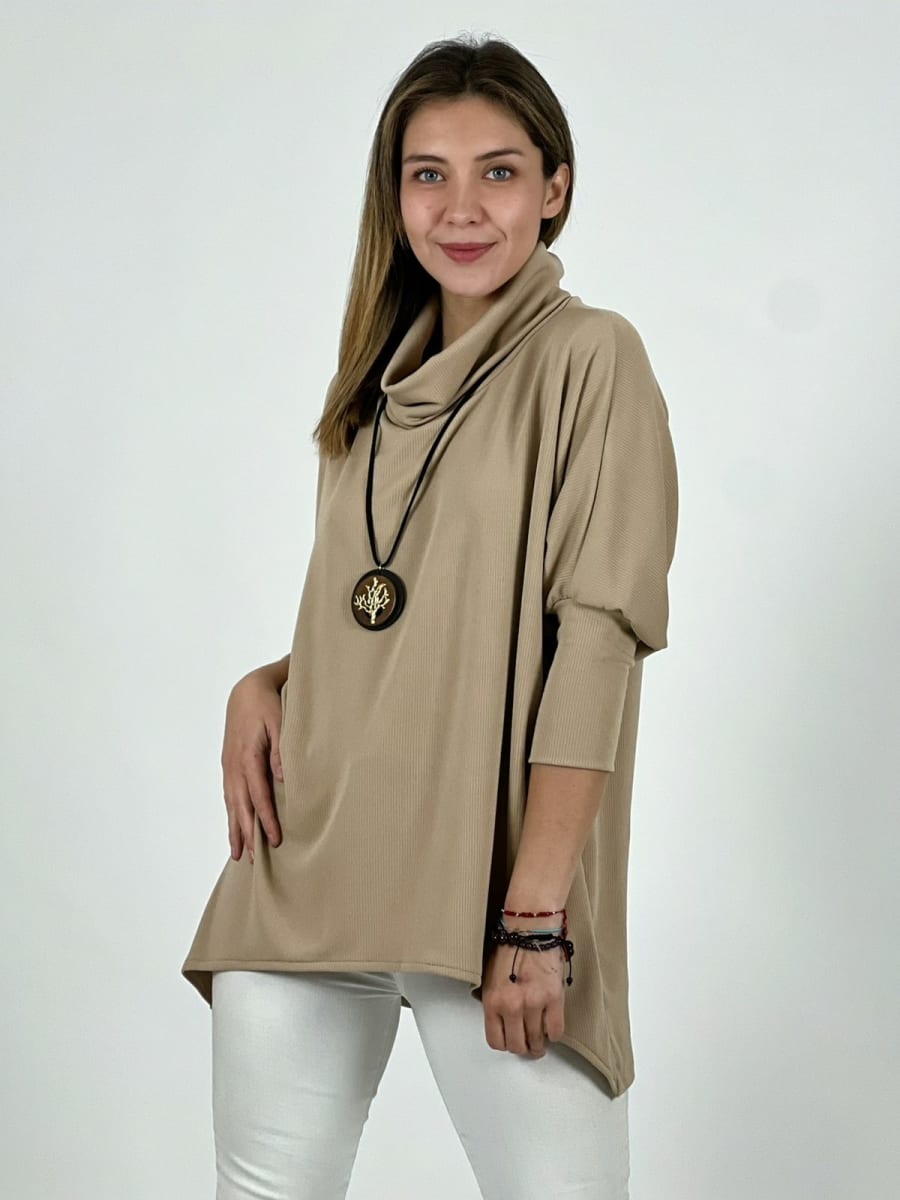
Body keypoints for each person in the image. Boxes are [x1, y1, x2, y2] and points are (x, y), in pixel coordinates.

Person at [181, 32, 678, 1200]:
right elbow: (400, 620)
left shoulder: (590, 359)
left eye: (499, 171)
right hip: (301, 881)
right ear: (393, 194)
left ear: (554, 189)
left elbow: (594, 642)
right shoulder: (365, 396)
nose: (461, 208)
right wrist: (272, 680)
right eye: (428, 174)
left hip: (488, 900)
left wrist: (537, 919)